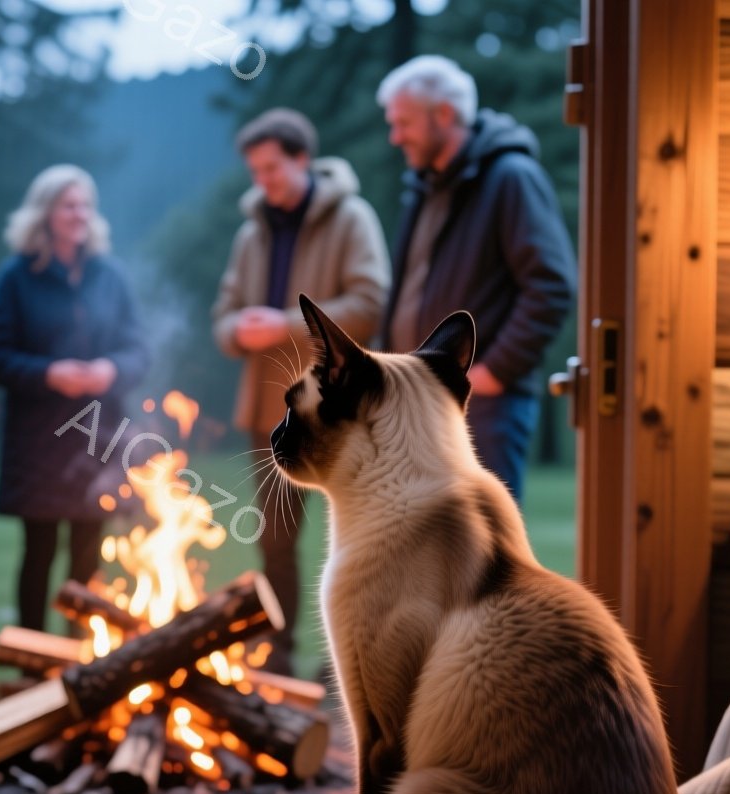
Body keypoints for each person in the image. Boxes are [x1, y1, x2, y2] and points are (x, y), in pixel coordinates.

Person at [210, 108, 389, 676]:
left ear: (302, 159)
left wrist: (285, 324)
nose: (263, 181)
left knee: (359, 541)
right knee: (277, 542)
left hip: (341, 412)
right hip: (270, 407)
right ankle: (278, 650)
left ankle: (354, 663)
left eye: (272, 168)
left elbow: (368, 305)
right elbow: (221, 317)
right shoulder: (250, 232)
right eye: (255, 171)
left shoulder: (352, 219)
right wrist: (238, 329)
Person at [377, 55, 576, 502]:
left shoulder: (511, 178)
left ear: (444, 114)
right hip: (422, 404)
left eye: (404, 122)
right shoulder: (424, 187)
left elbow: (552, 285)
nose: (395, 136)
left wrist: (495, 371)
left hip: (486, 408)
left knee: (484, 553)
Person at [0, 165, 149, 636]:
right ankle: (33, 654)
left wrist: (110, 370)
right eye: (68, 204)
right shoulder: (16, 276)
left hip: (99, 430)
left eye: (85, 205)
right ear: (45, 212)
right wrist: (48, 374)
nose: (78, 214)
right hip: (39, 433)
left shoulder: (110, 276)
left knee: (88, 547)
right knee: (38, 550)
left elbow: (139, 348)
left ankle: (80, 653)